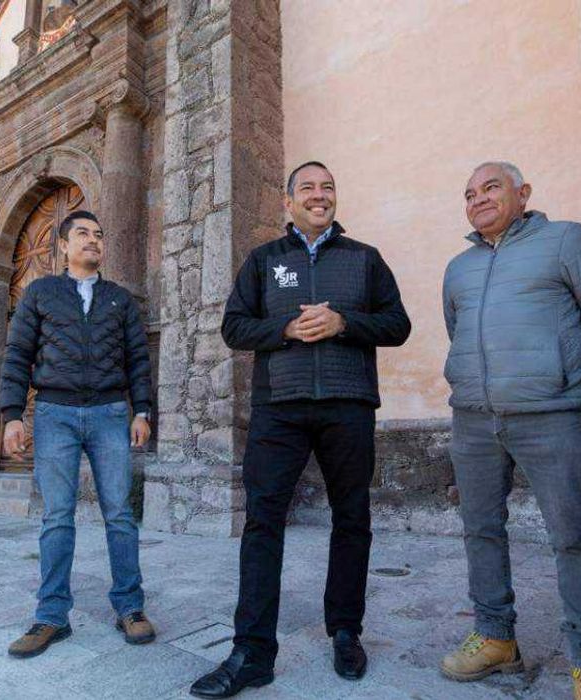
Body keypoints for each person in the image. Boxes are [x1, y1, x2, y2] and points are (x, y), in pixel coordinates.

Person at [189, 161, 412, 698]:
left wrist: (344, 323)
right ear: (287, 203)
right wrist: (286, 328)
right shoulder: (264, 260)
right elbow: (234, 327)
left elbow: (397, 325)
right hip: (279, 409)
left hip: (348, 404)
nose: (319, 194)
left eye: (327, 187)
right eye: (307, 187)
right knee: (262, 523)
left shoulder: (365, 258)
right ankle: (252, 653)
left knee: (352, 519)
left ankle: (345, 632)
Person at [439, 162, 581, 700]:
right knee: (480, 529)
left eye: (491, 187)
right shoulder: (458, 268)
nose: (478, 199)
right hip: (474, 420)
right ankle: (495, 636)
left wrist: (572, 387)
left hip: (551, 418)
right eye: (469, 193)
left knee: (573, 536)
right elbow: (458, 332)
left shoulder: (566, 240)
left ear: (523, 193)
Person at [0, 210, 156, 658]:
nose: (93, 240)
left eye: (99, 235)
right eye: (83, 234)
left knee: (119, 514)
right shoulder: (40, 292)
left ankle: (130, 607)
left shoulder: (119, 299)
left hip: (110, 413)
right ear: (64, 245)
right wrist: (13, 414)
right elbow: (18, 353)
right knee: (56, 517)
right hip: (55, 414)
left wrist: (142, 411)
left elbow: (137, 359)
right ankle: (51, 616)